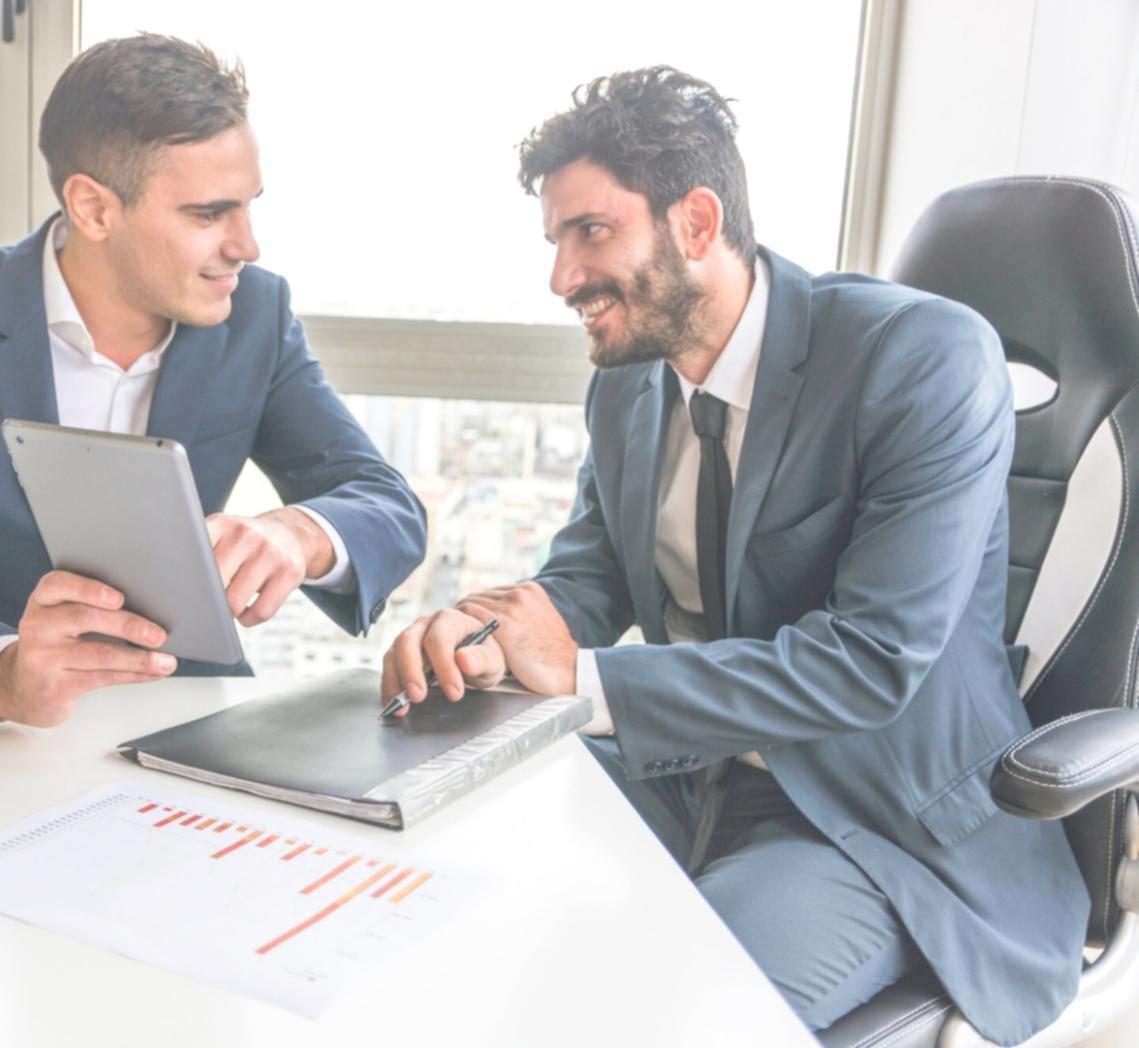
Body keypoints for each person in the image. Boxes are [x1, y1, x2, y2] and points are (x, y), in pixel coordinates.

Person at [380, 67, 1086, 1041]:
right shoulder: (628, 390)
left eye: (589, 231)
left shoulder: (917, 358)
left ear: (696, 222)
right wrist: (491, 629)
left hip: (865, 815)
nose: (560, 278)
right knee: (443, 896)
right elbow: (586, 577)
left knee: (663, 1018)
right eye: (554, 241)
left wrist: (581, 677)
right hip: (685, 770)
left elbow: (868, 662)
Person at [0, 34, 425, 729]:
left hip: (187, 717)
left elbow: (387, 506)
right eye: (207, 213)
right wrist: (4, 674)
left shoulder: (255, 313)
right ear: (94, 208)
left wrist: (298, 535)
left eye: (248, 205)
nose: (246, 246)